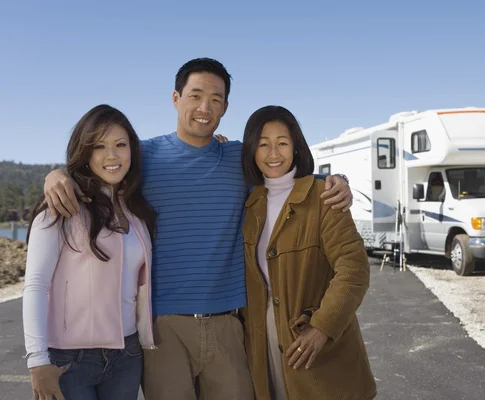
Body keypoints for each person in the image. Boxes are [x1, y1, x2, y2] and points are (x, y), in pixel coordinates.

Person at [42, 58, 353, 400]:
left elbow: (285, 176)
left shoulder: (240, 159)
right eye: (195, 95)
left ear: (225, 107)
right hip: (164, 329)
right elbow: (99, 168)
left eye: (216, 99)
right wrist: (57, 175)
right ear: (176, 98)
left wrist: (335, 181)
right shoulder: (142, 157)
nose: (205, 107)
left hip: (229, 326)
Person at [241, 105, 377, 400]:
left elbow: (353, 270)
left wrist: (321, 328)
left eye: (282, 143)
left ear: (296, 147)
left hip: (316, 345)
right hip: (263, 346)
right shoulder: (250, 202)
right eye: (263, 144)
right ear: (252, 149)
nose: (273, 153)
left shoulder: (323, 196)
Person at [22, 104, 157, 400]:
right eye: (99, 146)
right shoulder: (61, 207)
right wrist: (37, 360)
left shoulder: (136, 214)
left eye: (120, 145)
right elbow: (35, 284)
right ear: (84, 153)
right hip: (69, 360)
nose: (112, 156)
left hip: (126, 354)